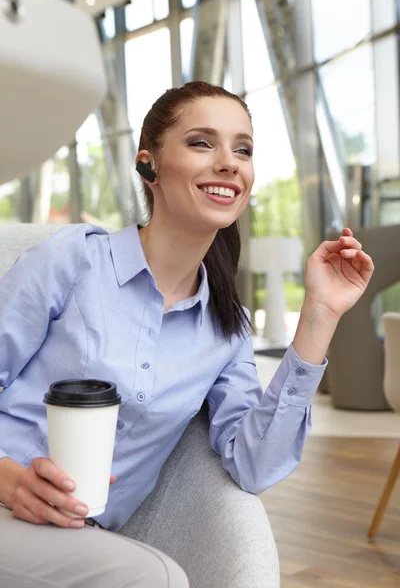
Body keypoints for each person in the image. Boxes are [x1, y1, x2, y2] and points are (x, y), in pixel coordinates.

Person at [0, 81, 374, 587]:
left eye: (242, 149)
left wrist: (320, 315)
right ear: (148, 164)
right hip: (7, 509)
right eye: (202, 142)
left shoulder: (226, 328)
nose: (229, 163)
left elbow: (253, 465)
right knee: (157, 579)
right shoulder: (73, 261)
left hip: (79, 543)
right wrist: (12, 480)